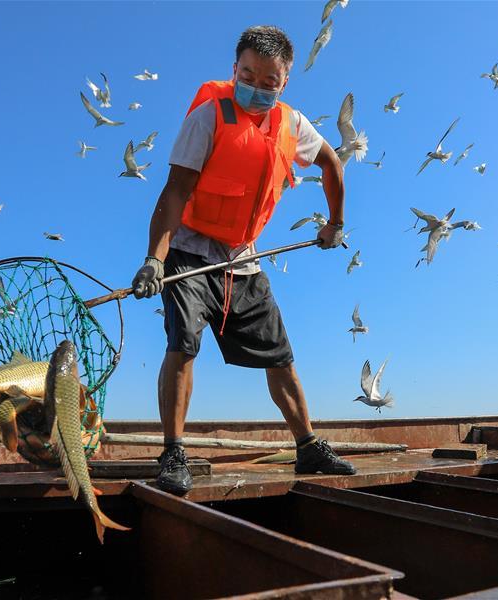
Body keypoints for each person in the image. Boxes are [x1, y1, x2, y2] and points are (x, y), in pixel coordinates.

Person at [131, 25, 356, 495]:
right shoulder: (208, 117)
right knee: (183, 342)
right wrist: (156, 259)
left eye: (269, 80)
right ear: (235, 69)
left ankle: (308, 446)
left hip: (243, 258)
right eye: (248, 73)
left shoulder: (293, 126)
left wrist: (334, 224)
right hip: (190, 249)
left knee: (281, 355)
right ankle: (173, 451)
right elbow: (174, 192)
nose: (256, 85)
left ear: (284, 82)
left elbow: (333, 164)